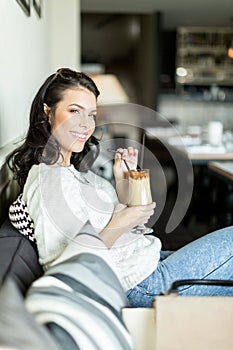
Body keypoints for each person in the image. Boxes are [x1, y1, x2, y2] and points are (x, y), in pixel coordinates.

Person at [7, 68, 233, 308]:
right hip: (140, 284)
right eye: (74, 111)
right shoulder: (50, 180)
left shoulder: (68, 169)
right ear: (47, 113)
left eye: (91, 115)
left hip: (146, 263)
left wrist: (124, 188)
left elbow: (101, 227)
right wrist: (124, 218)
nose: (85, 125)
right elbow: (69, 264)